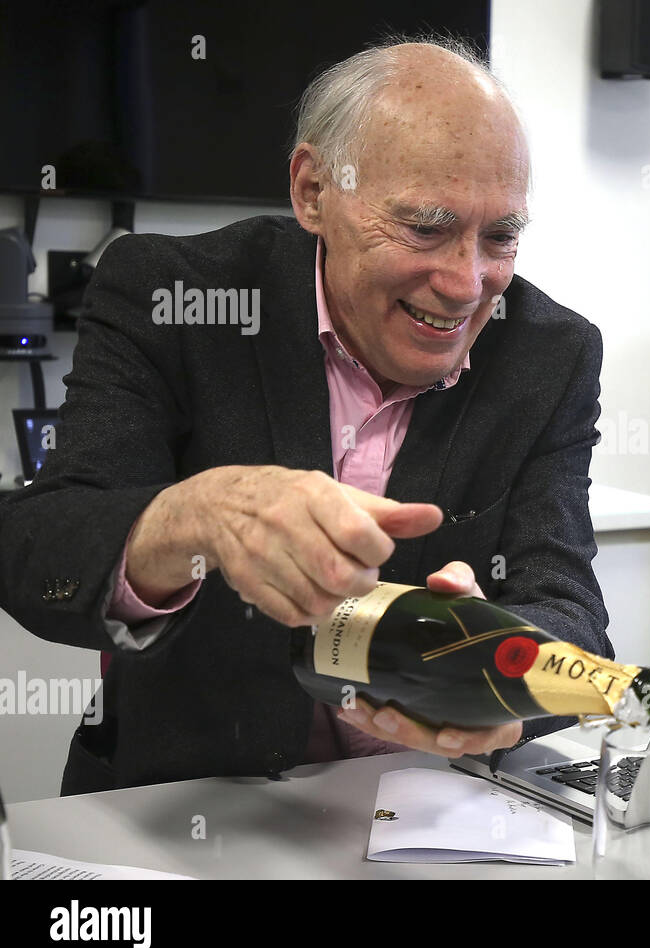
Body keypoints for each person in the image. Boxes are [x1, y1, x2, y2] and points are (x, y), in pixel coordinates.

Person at [0, 38, 613, 794]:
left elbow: (571, 614)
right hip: (189, 810)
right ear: (313, 191)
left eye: (501, 237)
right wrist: (192, 517)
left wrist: (506, 690)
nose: (466, 283)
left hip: (431, 815)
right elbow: (38, 553)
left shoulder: (550, 355)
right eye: (426, 227)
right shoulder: (173, 297)